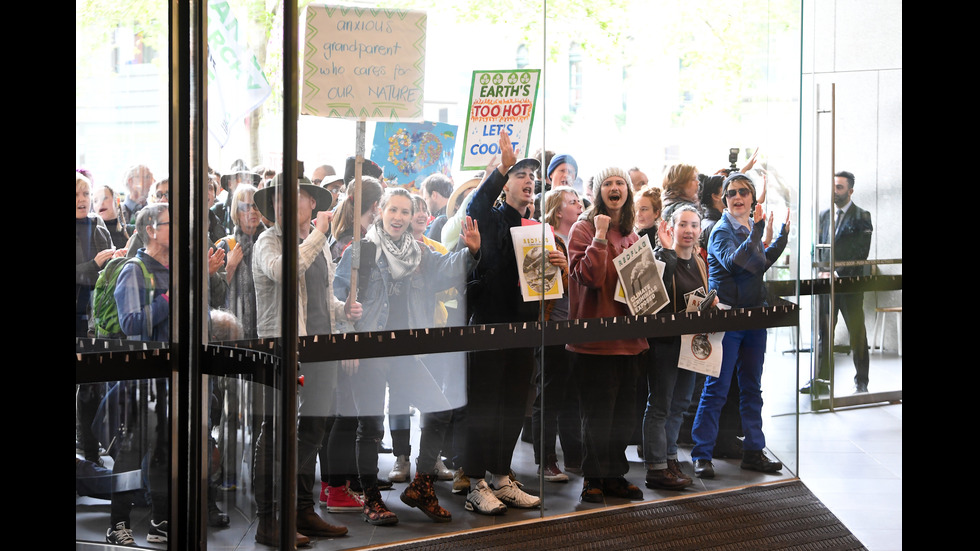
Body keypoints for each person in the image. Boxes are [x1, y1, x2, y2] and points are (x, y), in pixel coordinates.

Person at [334, 187, 482, 525]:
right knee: (369, 427)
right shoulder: (361, 252)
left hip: (405, 353)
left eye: (405, 211)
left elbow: (446, 269)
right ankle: (372, 499)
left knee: (440, 408)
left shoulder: (420, 253)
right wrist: (347, 343)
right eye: (393, 210)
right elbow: (338, 300)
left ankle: (421, 485)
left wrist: (469, 251)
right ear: (381, 212)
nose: (399, 217)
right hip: (368, 352)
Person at [251, 172, 355, 545]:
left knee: (313, 429)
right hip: (282, 348)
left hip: (319, 346)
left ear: (312, 203)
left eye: (293, 197)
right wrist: (317, 236)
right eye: (278, 199)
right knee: (275, 433)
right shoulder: (267, 242)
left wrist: (344, 310)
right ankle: (269, 520)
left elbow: (321, 297)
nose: (283, 204)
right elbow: (286, 271)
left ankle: (301, 510)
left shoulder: (317, 243)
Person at [461, 129, 549, 514]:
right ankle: (475, 482)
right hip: (490, 327)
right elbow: (475, 205)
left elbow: (543, 286)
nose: (528, 180)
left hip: (524, 328)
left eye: (532, 175)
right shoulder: (492, 217)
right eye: (520, 175)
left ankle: (501, 476)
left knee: (514, 405)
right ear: (505, 184)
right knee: (484, 405)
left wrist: (556, 267)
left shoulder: (536, 228)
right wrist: (500, 168)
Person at [691, 172, 790, 479]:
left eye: (742, 192)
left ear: (752, 199)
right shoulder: (721, 230)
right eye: (731, 192)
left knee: (752, 388)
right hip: (729, 319)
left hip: (754, 318)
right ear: (724, 199)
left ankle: (754, 451)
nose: (736, 197)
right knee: (716, 389)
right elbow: (734, 263)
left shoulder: (748, 227)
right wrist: (758, 232)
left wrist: (782, 237)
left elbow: (757, 266)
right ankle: (702, 454)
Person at [566, 166, 648, 504]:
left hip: (631, 342)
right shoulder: (583, 229)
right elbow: (590, 278)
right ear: (598, 192)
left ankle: (615, 475)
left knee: (625, 416)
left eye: (620, 183)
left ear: (628, 191)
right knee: (597, 415)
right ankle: (593, 478)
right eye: (608, 184)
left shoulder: (632, 234)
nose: (614, 188)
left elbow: (643, 286)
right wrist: (599, 237)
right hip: (595, 342)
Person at [106, 203, 171, 545]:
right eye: (170, 223)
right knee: (131, 454)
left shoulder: (176, 267)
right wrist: (168, 300)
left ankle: (160, 521)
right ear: (151, 229)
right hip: (140, 379)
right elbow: (131, 323)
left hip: (168, 379)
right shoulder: (134, 269)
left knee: (161, 451)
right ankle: (118, 523)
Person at [642, 205, 715, 490]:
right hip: (664, 345)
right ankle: (656, 467)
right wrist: (667, 250)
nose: (689, 230)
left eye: (694, 225)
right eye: (683, 224)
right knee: (660, 405)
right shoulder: (661, 259)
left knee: (680, 405)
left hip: (690, 343)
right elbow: (656, 293)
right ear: (671, 228)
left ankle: (670, 459)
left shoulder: (699, 262)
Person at [804, 170, 874, 394]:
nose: (835, 191)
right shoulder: (824, 215)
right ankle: (821, 381)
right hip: (826, 284)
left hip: (850, 285)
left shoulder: (863, 216)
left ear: (850, 191)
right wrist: (822, 271)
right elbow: (819, 247)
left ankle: (861, 381)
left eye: (840, 187)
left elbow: (861, 252)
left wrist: (836, 272)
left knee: (857, 334)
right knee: (824, 333)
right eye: (833, 186)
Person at [531, 186, 581, 482]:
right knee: (548, 396)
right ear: (558, 210)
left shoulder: (579, 239)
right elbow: (537, 284)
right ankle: (545, 460)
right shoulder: (545, 239)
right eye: (573, 202)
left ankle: (574, 456)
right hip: (551, 326)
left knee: (572, 395)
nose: (579, 205)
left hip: (576, 327)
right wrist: (565, 269)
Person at [421, 172, 454, 242]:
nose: (425, 205)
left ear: (434, 195)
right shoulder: (456, 213)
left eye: (425, 199)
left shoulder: (440, 222)